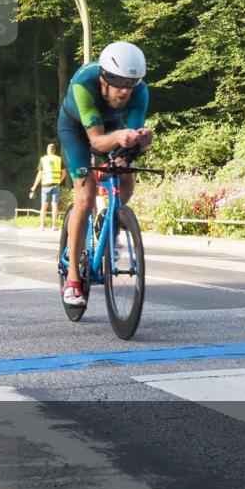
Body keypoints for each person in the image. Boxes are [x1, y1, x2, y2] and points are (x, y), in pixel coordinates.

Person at [57, 42, 153, 306]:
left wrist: (139, 139)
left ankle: (112, 224)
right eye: (119, 82)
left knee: (125, 180)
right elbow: (97, 143)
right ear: (104, 77)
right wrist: (121, 136)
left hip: (111, 125)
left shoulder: (139, 92)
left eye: (131, 83)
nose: (125, 91)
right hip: (77, 129)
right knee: (85, 199)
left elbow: (129, 140)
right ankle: (74, 279)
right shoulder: (83, 86)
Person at [29, 143, 67, 232]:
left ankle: (42, 226)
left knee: (44, 206)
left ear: (47, 150)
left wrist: (34, 186)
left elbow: (40, 174)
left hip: (45, 185)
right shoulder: (59, 159)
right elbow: (64, 173)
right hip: (56, 184)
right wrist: (59, 181)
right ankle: (54, 226)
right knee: (54, 205)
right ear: (54, 150)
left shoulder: (43, 159)